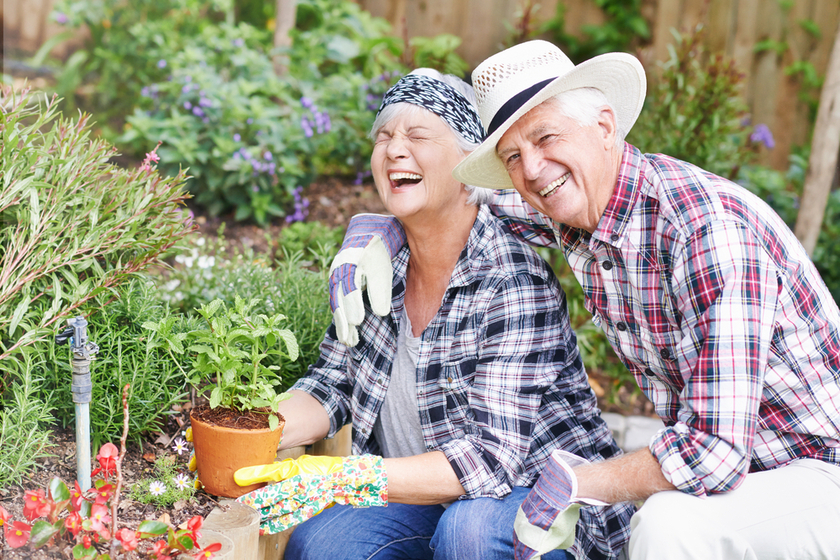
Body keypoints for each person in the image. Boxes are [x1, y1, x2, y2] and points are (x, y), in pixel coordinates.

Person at [327, 41, 840, 560]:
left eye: (546, 137)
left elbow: (713, 453)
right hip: (748, 478)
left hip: (819, 473)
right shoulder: (576, 211)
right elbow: (453, 200)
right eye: (512, 157)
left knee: (669, 527)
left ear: (604, 126)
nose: (531, 169)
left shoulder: (707, 233)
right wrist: (377, 230)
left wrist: (579, 481)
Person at [234, 68, 634, 560]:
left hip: (536, 499)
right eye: (384, 137)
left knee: (468, 534)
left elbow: (490, 461)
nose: (394, 149)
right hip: (428, 495)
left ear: (471, 161)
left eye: (418, 135)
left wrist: (347, 476)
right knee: (324, 544)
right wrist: (247, 429)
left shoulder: (510, 279)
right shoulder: (377, 266)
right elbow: (330, 385)